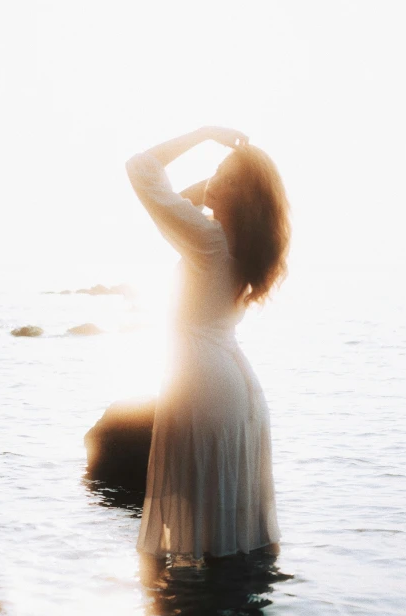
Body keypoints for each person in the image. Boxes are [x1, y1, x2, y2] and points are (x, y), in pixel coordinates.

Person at [125, 126, 291, 560]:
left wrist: (203, 134)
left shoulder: (209, 241)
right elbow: (178, 200)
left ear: (242, 196)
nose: (214, 178)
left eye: (226, 176)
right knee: (232, 533)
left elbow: (142, 169)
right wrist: (219, 185)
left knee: (196, 541)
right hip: (240, 388)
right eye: (216, 171)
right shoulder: (244, 245)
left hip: (201, 384)